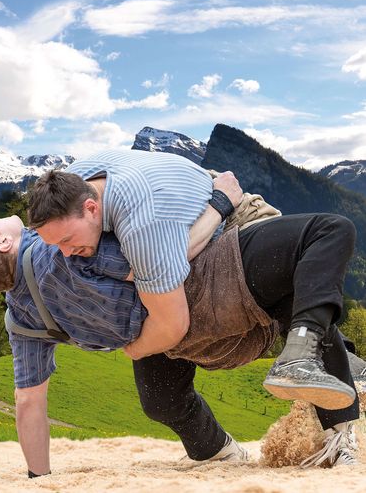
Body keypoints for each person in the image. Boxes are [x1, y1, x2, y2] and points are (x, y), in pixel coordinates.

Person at [0, 214, 364, 477]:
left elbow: (29, 402)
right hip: (210, 290)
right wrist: (220, 203)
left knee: (163, 401)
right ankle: (338, 425)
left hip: (179, 346)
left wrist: (38, 477)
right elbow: (155, 255)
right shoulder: (61, 244)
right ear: (2, 244)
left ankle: (217, 451)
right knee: (326, 233)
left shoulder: (22, 318)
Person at [27, 149, 361, 467]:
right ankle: (223, 452)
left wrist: (220, 203)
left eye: (67, 241)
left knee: (324, 237)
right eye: (55, 244)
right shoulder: (70, 182)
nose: (65, 253)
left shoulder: (140, 218)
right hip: (189, 228)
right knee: (160, 399)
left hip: (234, 224)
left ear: (91, 207)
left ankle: (332, 412)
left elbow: (171, 283)